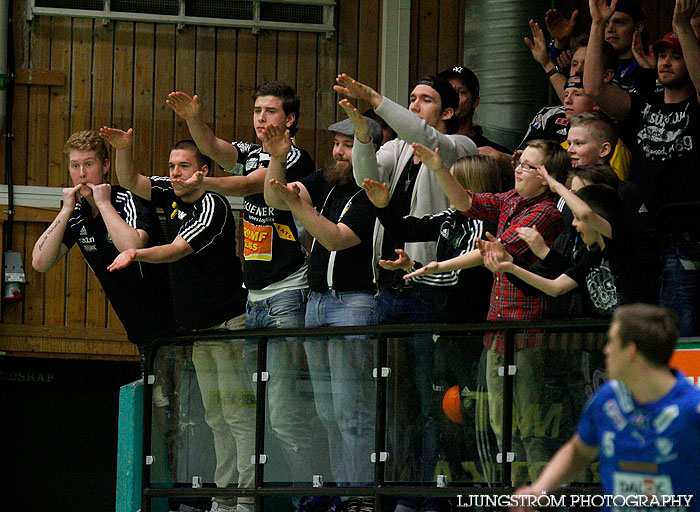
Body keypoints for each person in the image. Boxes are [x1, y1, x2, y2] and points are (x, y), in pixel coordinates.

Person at [165, 82, 318, 488]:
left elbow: (256, 184)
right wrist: (194, 120)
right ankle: (265, 491)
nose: (261, 119)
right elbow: (213, 148)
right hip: (255, 299)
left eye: (270, 111)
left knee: (285, 416)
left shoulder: (295, 157)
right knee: (260, 411)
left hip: (286, 292)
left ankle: (314, 494)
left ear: (290, 120)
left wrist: (203, 185)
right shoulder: (250, 151)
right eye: (257, 111)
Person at [334, 73, 477, 505]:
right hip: (390, 286)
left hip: (431, 287)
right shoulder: (395, 149)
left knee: (427, 403)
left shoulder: (460, 149)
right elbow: (365, 180)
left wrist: (378, 100)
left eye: (426, 99)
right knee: (394, 400)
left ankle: (424, 496)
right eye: (410, 97)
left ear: (448, 112)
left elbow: (425, 137)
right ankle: (394, 490)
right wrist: (363, 136)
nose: (414, 105)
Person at [101, 131, 253, 512]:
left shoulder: (213, 206)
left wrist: (136, 253)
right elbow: (130, 181)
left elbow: (177, 250)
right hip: (198, 329)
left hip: (229, 325)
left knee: (238, 416)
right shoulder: (170, 195)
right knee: (217, 418)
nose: (175, 174)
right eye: (171, 167)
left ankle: (247, 501)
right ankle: (223, 499)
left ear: (202, 172)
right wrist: (124, 150)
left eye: (184, 167)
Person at [405, 140, 569, 483]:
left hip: (527, 331)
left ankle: (537, 498)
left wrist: (438, 265)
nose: (517, 169)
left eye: (527, 166)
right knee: (499, 424)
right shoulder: (511, 199)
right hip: (496, 327)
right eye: (518, 162)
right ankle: (507, 495)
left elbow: (494, 255)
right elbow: (466, 202)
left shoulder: (546, 213)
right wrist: (438, 167)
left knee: (530, 426)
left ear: (546, 177)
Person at [263, 116, 381, 509]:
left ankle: (360, 497)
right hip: (318, 303)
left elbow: (334, 238)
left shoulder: (372, 194)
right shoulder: (327, 182)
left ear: (367, 150)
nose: (337, 152)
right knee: (328, 412)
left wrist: (300, 205)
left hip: (354, 303)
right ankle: (343, 492)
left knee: (352, 411)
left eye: (347, 145)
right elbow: (273, 198)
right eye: (335, 143)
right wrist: (277, 160)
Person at [584, 0, 700, 336]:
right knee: (641, 337)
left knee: (682, 336)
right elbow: (593, 89)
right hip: (642, 239)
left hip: (687, 241)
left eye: (675, 56)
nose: (666, 62)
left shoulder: (697, 106)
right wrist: (596, 26)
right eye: (662, 55)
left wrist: (681, 27)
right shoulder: (643, 103)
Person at [514, 304, 700, 512]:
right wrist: (539, 489)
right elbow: (578, 451)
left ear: (631, 351)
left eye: (612, 341)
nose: (606, 349)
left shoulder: (692, 411)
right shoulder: (607, 400)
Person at [31, 130, 175, 365]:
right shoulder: (77, 215)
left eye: (89, 164)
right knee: (156, 398)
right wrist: (66, 210)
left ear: (106, 165)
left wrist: (103, 202)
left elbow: (132, 247)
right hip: (141, 330)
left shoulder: (129, 198)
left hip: (174, 322)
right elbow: (40, 262)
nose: (82, 174)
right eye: (75, 166)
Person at [438, 66, 511, 152]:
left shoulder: (492, 152)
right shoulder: (427, 143)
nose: (452, 98)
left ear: (475, 102)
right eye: (448, 91)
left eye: (461, 92)